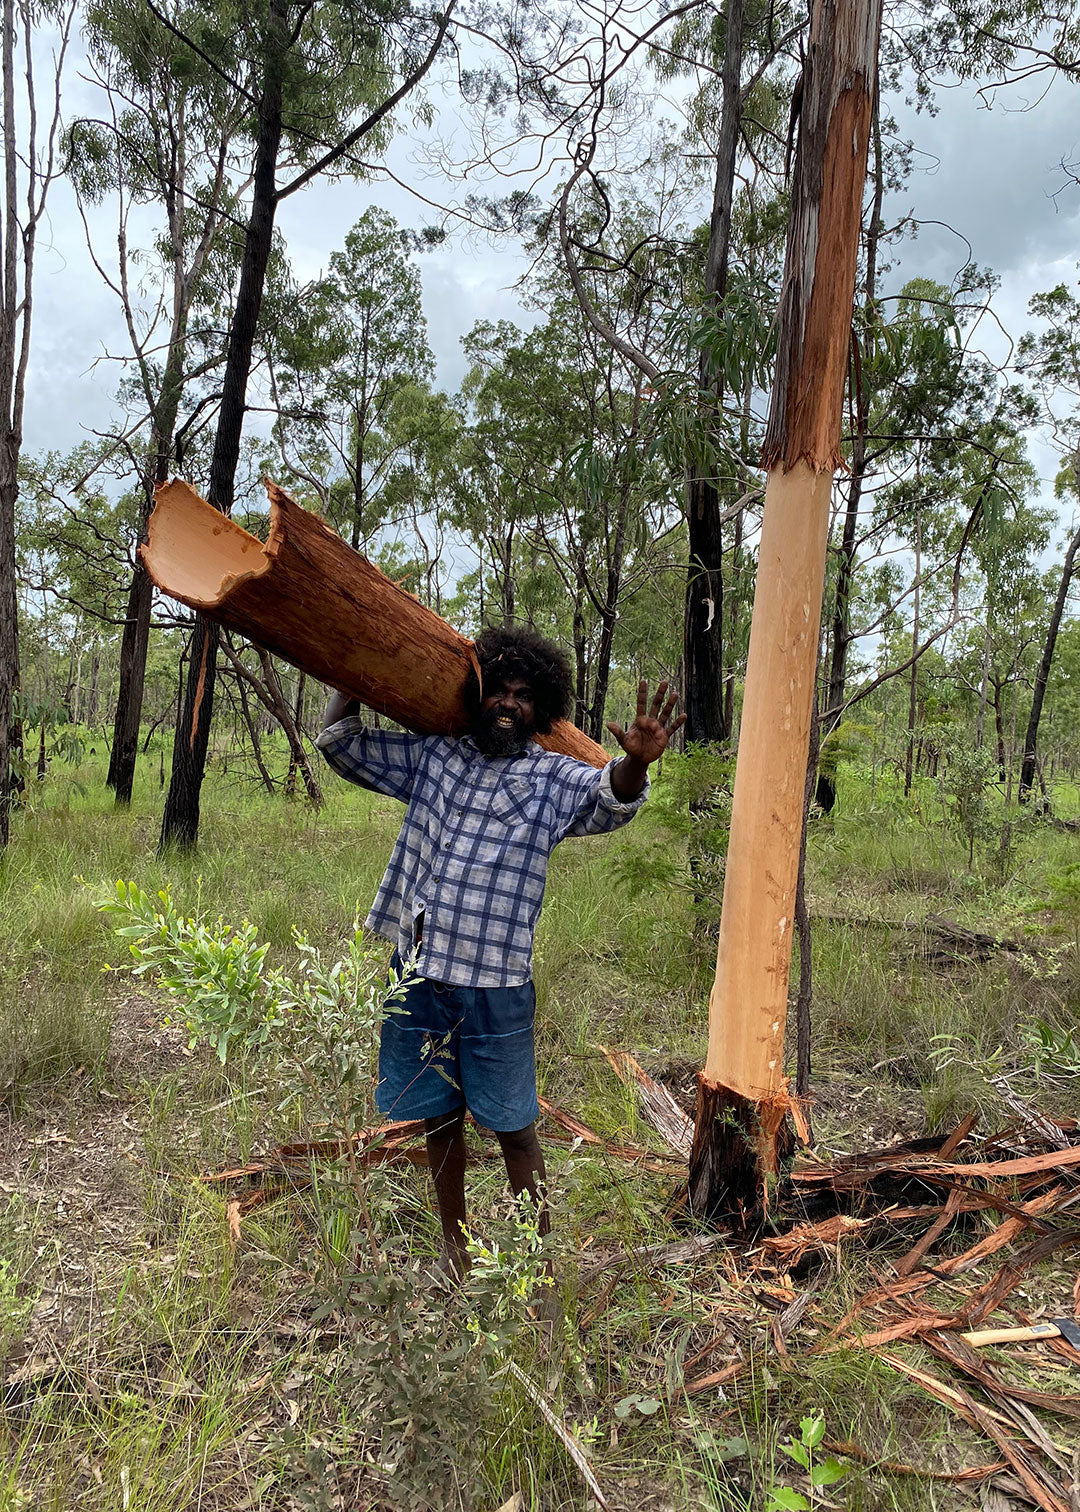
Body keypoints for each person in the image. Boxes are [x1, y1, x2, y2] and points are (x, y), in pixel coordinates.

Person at [317, 625, 684, 1281]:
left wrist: (639, 762)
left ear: (540, 709)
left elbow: (611, 800)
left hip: (496, 983)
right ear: (480, 695)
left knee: (514, 1128)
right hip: (420, 974)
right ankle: (457, 1253)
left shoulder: (552, 780)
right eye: (499, 691)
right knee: (438, 1117)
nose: (508, 704)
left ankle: (534, 1269)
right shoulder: (437, 757)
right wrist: (356, 673)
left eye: (523, 695)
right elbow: (342, 748)